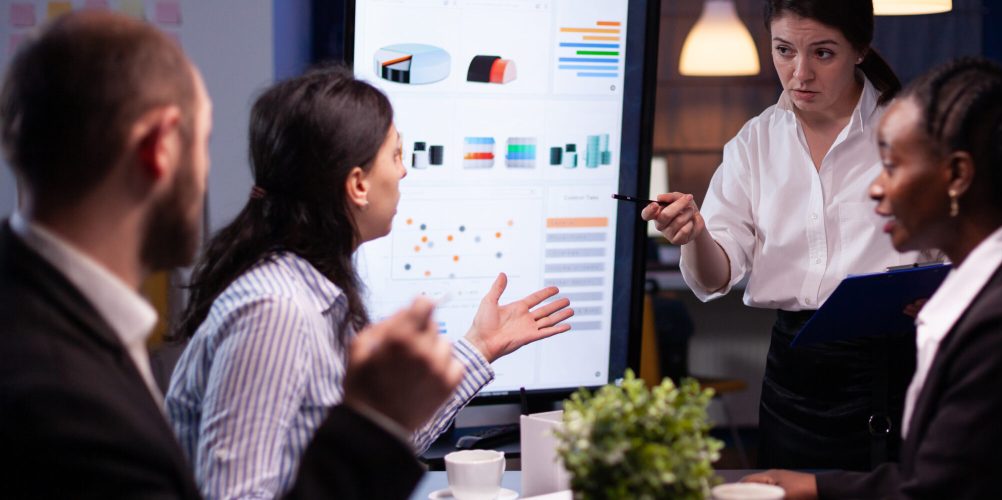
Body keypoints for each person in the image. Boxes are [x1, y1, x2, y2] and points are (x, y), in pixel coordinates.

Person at [0, 11, 463, 499]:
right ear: (158, 146)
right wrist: (368, 425)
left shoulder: (57, 330)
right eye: (202, 144)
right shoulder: (62, 393)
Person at [163, 67, 575, 499]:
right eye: (396, 155)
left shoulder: (312, 291)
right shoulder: (277, 310)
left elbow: (371, 450)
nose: (404, 173)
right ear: (358, 184)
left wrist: (479, 346)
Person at [742, 58, 1002, 499]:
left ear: (957, 176)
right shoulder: (997, 297)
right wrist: (813, 484)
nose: (875, 188)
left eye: (892, 166)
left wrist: (816, 490)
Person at [642, 0, 919, 469]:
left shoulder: (912, 131)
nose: (800, 73)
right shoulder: (756, 141)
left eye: (823, 54)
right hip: (792, 375)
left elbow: (959, 254)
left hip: (889, 364)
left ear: (860, 49)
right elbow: (716, 276)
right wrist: (695, 234)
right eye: (784, 50)